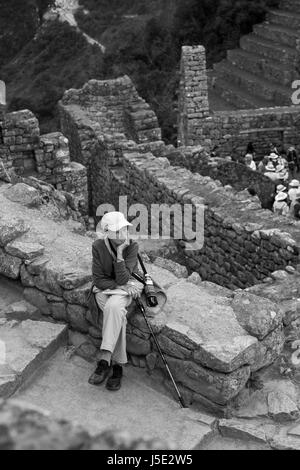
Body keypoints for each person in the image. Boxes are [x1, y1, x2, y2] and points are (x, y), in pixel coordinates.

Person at [88, 211, 143, 391]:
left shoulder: (132, 246)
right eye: (117, 231)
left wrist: (120, 253)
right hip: (108, 290)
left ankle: (105, 358)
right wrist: (120, 288)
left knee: (113, 306)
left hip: (125, 288)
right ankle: (118, 365)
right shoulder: (98, 246)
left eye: (124, 229)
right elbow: (98, 280)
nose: (123, 234)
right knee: (118, 314)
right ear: (107, 233)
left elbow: (124, 278)